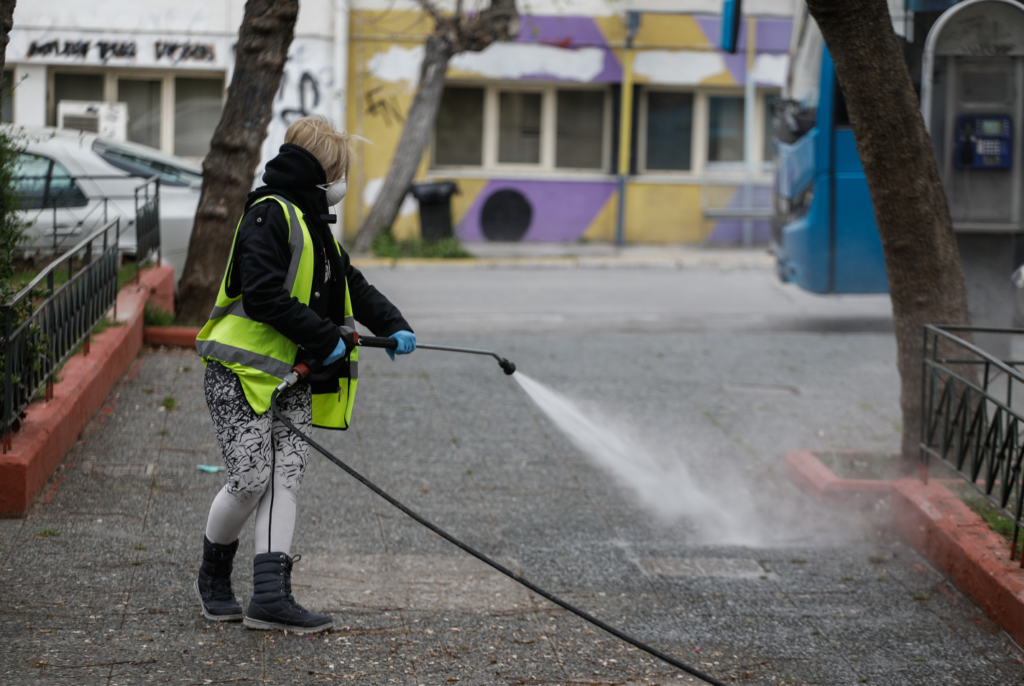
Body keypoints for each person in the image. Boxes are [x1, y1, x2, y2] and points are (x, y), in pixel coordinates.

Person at [193, 115, 415, 635]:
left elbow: (349, 284)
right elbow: (264, 294)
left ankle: (271, 598)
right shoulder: (270, 213)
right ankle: (213, 579)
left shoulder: (312, 222)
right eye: (340, 173)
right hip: (238, 373)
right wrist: (327, 337)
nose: (342, 185)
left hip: (292, 376)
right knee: (250, 481)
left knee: (284, 480)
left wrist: (394, 324)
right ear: (323, 169)